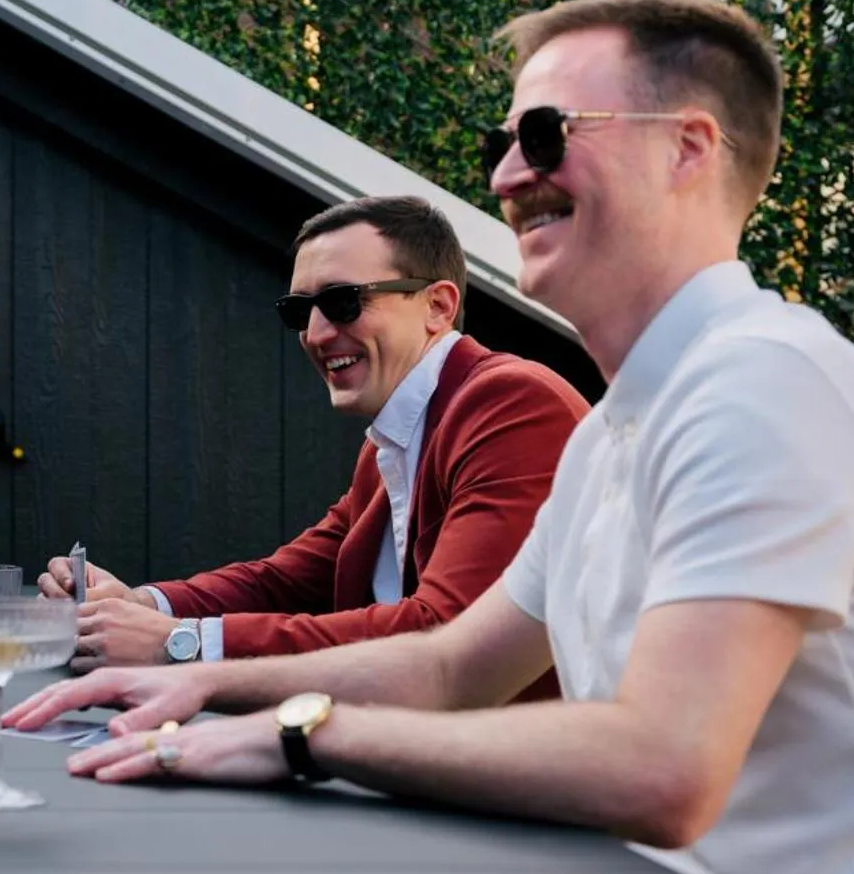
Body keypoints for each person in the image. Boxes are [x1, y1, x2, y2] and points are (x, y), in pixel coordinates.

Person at [7, 0, 854, 874]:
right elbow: (452, 666)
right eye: (502, 140)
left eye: (545, 134)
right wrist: (197, 682)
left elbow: (661, 765)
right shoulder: (615, 430)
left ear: (689, 149)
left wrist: (300, 735)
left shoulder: (762, 385)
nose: (503, 174)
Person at [40, 195, 585, 678]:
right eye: (300, 310)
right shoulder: (394, 438)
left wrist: (182, 644)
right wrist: (141, 605)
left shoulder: (509, 404)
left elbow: (445, 632)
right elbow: (288, 580)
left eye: (344, 301)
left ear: (438, 306)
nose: (318, 333)